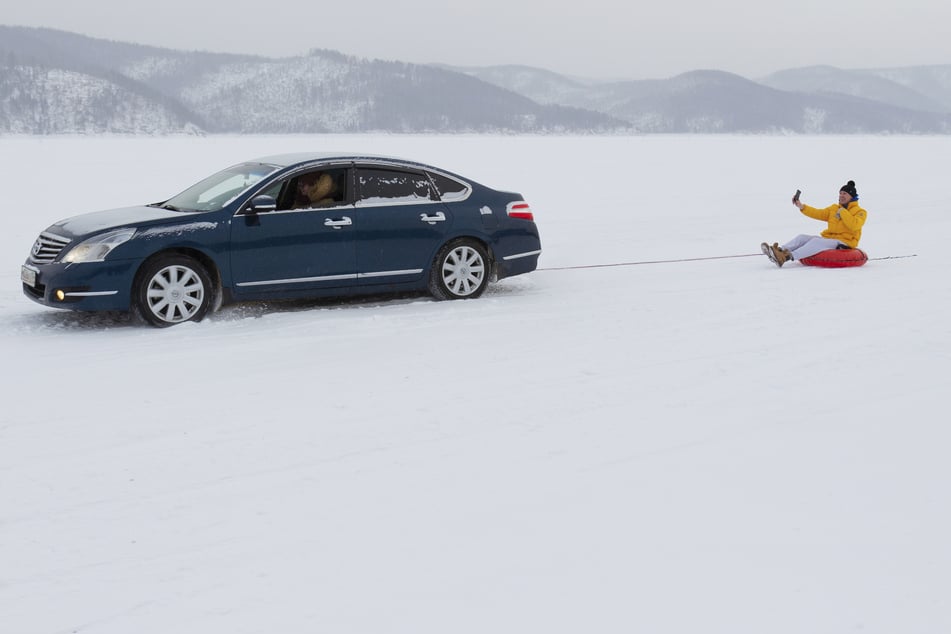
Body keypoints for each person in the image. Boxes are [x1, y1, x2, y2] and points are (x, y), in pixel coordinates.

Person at [762, 180, 868, 267]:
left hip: (845, 242)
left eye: (844, 193)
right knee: (801, 237)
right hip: (830, 239)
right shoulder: (834, 208)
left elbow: (855, 225)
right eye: (840, 193)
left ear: (852, 196)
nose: (841, 196)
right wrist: (802, 206)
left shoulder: (860, 212)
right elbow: (818, 213)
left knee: (816, 241)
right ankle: (778, 251)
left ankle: (785, 257)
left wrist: (843, 212)